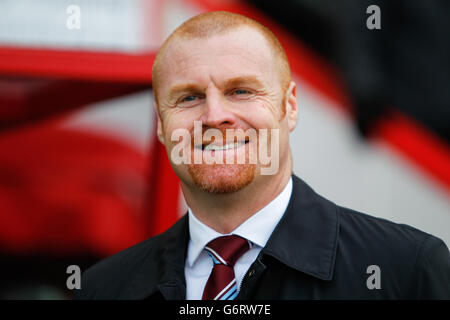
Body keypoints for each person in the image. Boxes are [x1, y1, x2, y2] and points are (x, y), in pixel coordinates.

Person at [74, 11, 449, 300]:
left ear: (290, 107)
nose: (214, 116)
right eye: (188, 97)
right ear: (160, 123)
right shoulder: (102, 288)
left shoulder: (407, 271)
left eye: (240, 91)